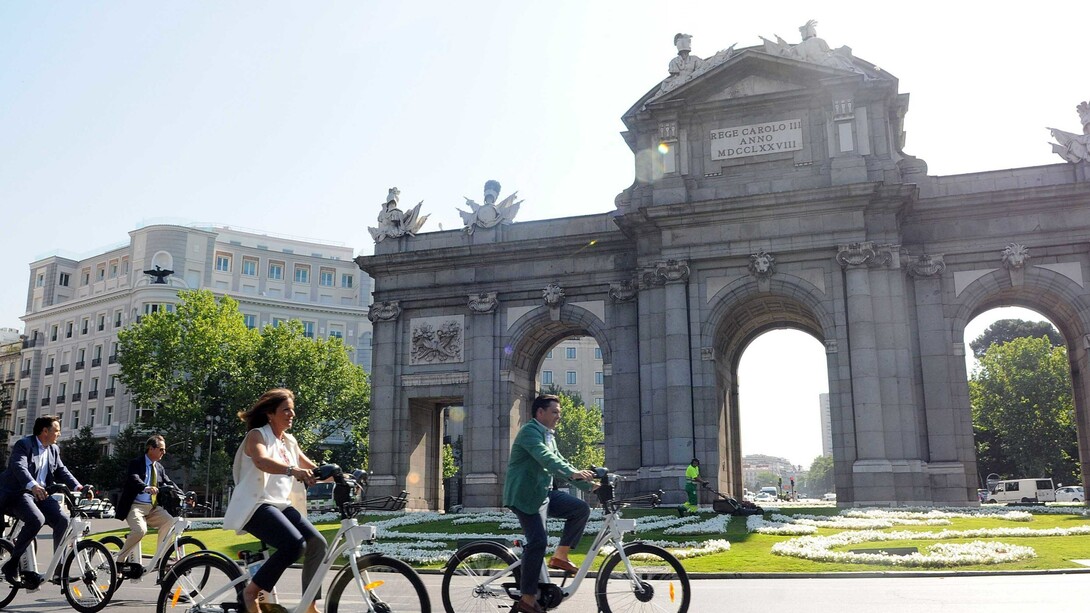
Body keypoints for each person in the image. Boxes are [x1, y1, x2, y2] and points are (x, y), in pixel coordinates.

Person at [223, 389, 327, 613]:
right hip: (256, 506)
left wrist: (342, 475)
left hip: (281, 505)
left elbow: (312, 469)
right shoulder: (257, 435)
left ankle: (309, 605)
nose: (292, 414)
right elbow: (261, 461)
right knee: (294, 544)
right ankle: (251, 593)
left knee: (317, 543)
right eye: (286, 410)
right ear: (270, 413)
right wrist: (292, 470)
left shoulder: (289, 441)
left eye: (292, 410)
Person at [502, 394, 596, 613]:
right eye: (555, 412)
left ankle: (560, 556)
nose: (558, 416)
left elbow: (560, 462)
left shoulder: (548, 435)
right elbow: (546, 457)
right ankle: (527, 598)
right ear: (540, 412)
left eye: (559, 413)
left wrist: (592, 486)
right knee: (538, 541)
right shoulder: (529, 432)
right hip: (525, 497)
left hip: (543, 494)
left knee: (580, 509)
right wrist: (572, 472)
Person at [0, 415, 83, 585]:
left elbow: (62, 470)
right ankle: (12, 564)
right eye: (56, 430)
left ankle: (59, 571)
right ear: (45, 431)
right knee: (36, 519)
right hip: (19, 493)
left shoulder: (53, 449)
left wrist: (79, 487)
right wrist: (33, 485)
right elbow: (19, 466)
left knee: (63, 520)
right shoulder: (24, 444)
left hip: (41, 494)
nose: (59, 434)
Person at [114, 434, 176, 576]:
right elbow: (133, 478)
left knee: (169, 521)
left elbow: (169, 483)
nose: (164, 452)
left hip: (152, 508)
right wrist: (145, 487)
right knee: (140, 531)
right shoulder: (136, 463)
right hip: (135, 506)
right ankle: (119, 561)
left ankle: (161, 558)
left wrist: (185, 495)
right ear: (151, 448)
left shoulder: (159, 468)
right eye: (161, 449)